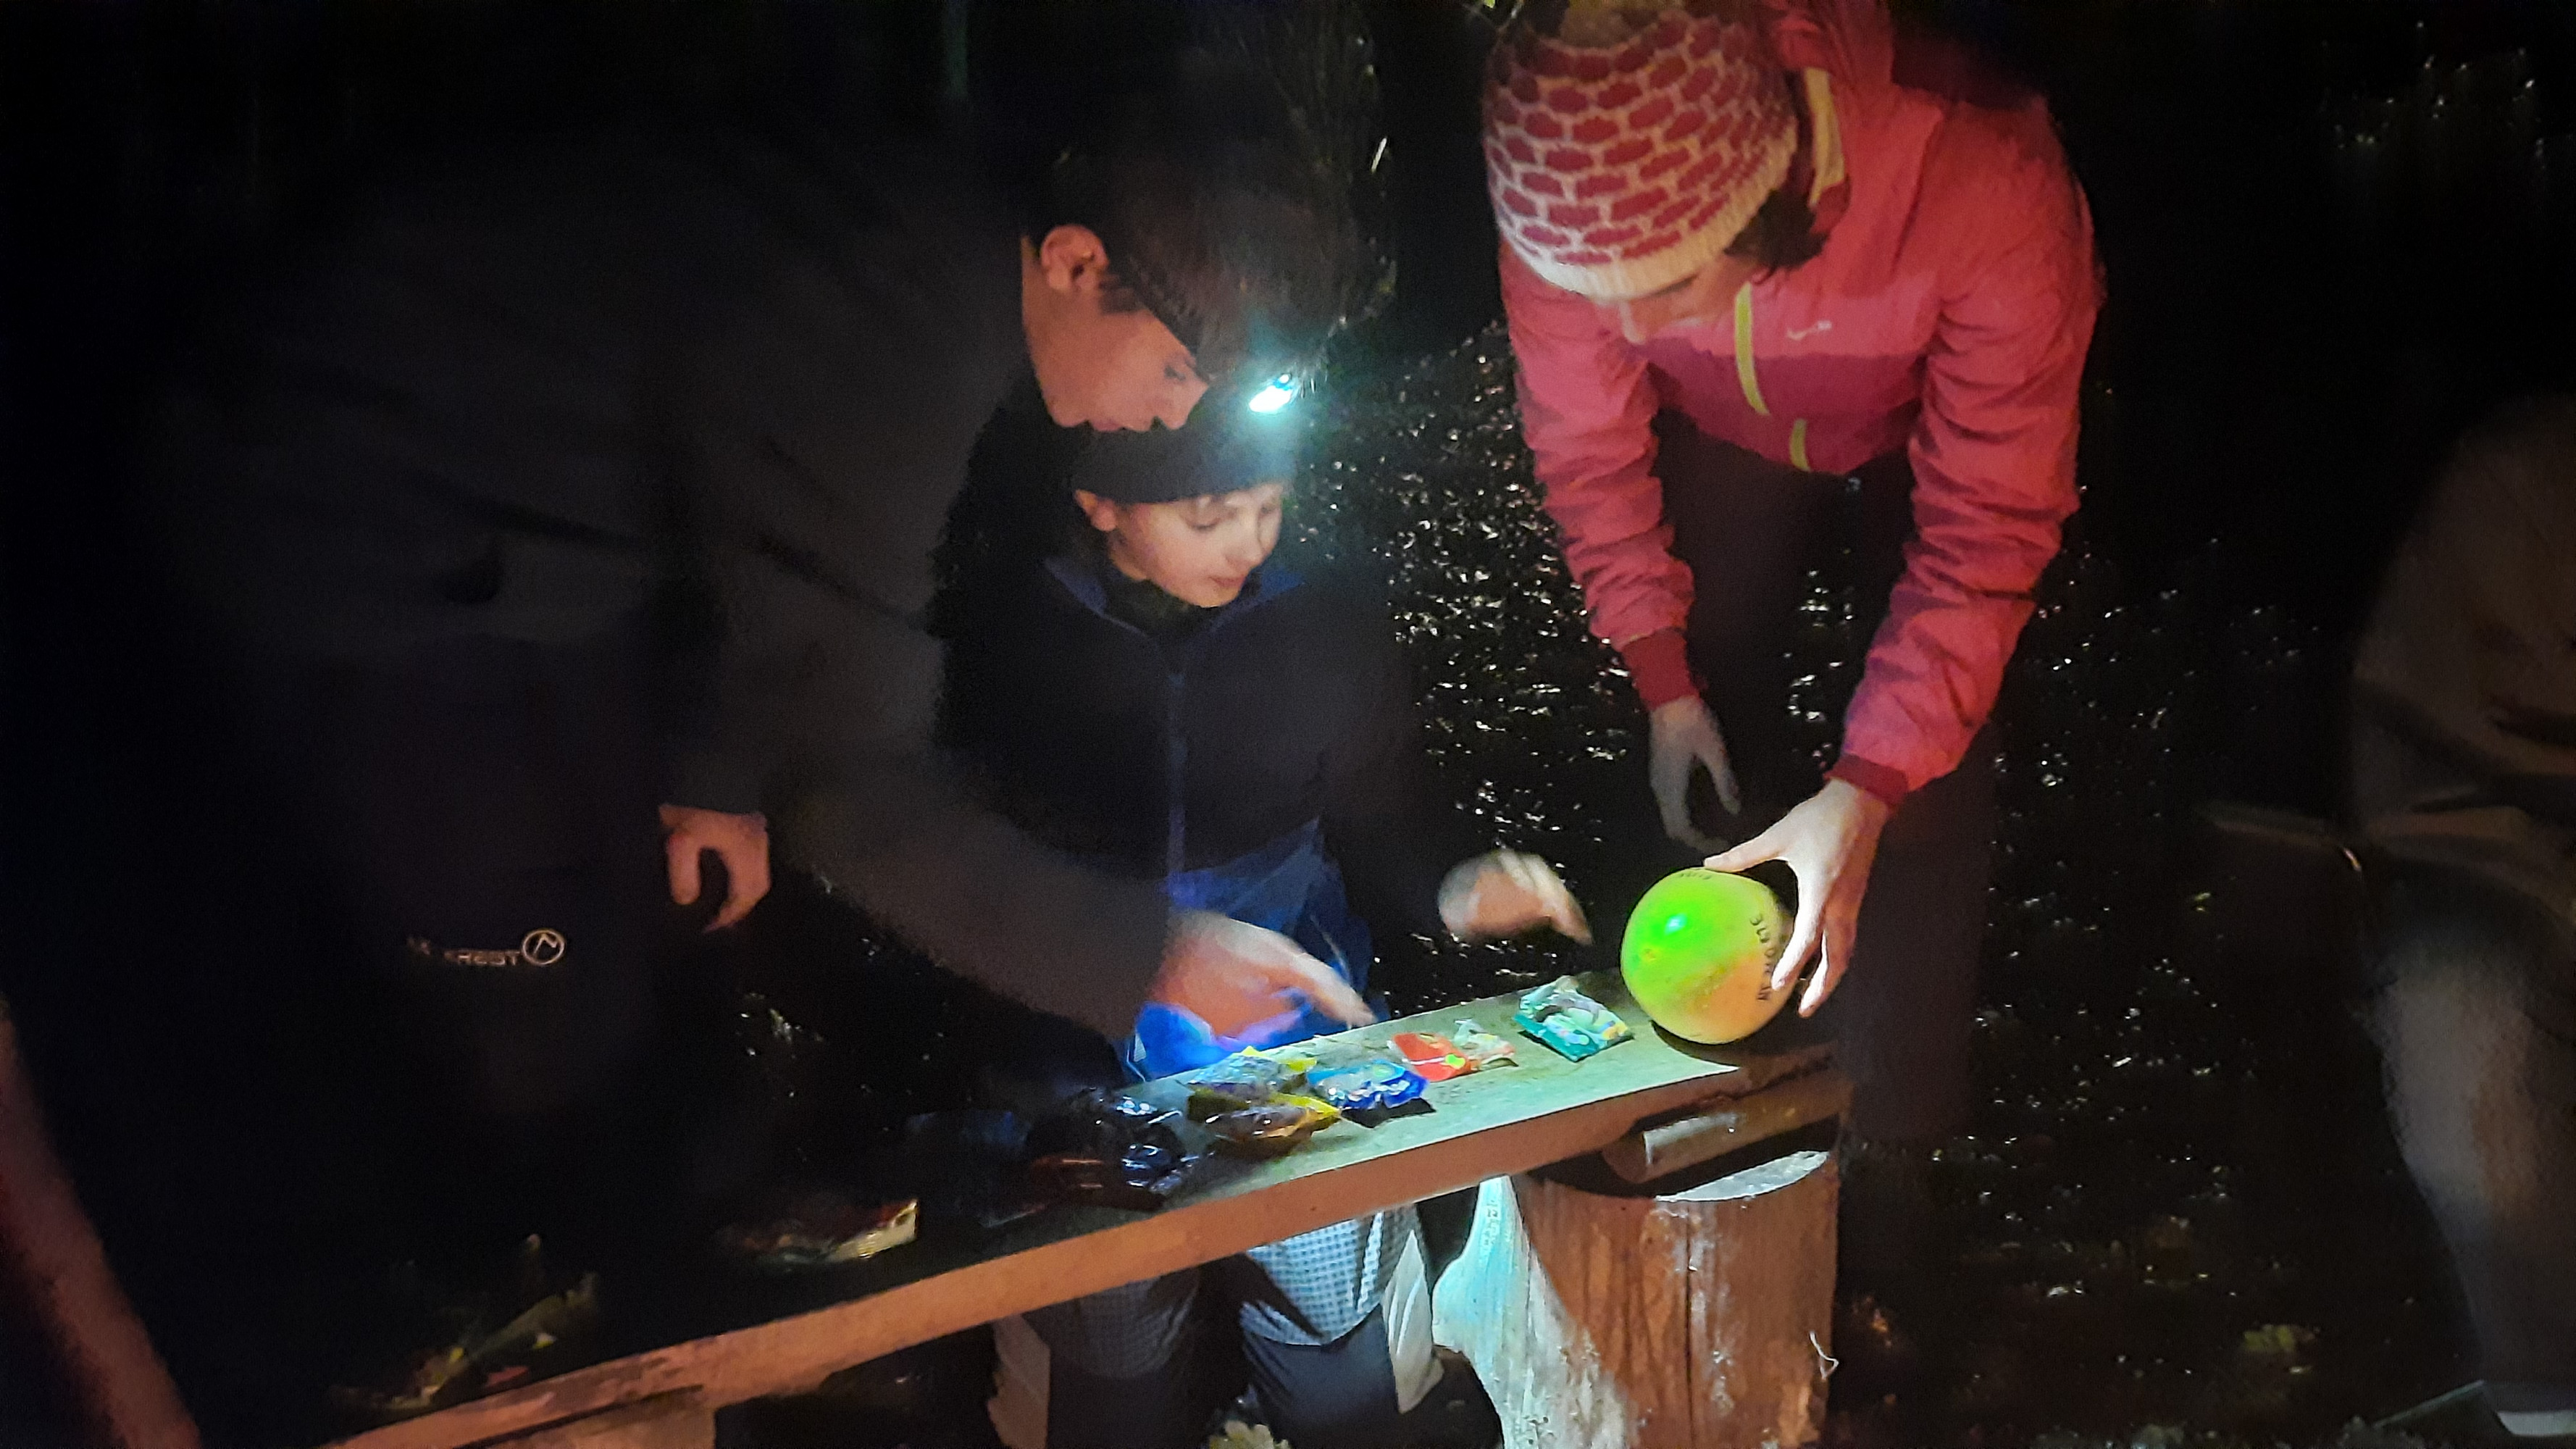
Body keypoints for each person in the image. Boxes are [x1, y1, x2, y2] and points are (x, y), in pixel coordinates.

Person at [147, 66, 1371, 1272]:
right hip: (364, 516)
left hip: (547, 543)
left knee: (661, 924)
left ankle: (638, 1223)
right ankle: (512, 1296)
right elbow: (845, 783)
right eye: (1177, 372)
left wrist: (716, 765)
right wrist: (1150, 958)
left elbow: (746, 485)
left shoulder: (954, 240)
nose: (1175, 418)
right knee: (530, 1006)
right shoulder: (905, 324)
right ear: (1075, 263)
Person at [1480, 0, 2099, 1156]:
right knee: (1708, 714)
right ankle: (1709, 1070)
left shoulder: (1978, 173)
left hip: (1918, 402)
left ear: (1762, 201)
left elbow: (1987, 527)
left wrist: (1869, 785)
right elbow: (1587, 447)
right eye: (1593, 293)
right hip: (1725, 417)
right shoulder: (1562, 204)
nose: (1623, 325)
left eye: (1663, 283)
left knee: (1927, 770)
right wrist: (1663, 679)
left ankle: (1895, 1142)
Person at [942, 421, 1585, 1449]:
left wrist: (1450, 890)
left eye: (1268, 509)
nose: (1248, 544)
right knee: (1106, 1393)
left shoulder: (1319, 619)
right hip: (1075, 1070)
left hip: (1298, 1049)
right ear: (1101, 505)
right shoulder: (1005, 634)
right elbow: (952, 866)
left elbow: (1381, 814)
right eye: (1209, 518)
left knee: (1352, 1396)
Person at [2352, 395, 2576, 1442]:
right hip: (2536, 903)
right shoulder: (2524, 489)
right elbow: (2448, 811)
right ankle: (2550, 1408)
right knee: (2461, 1013)